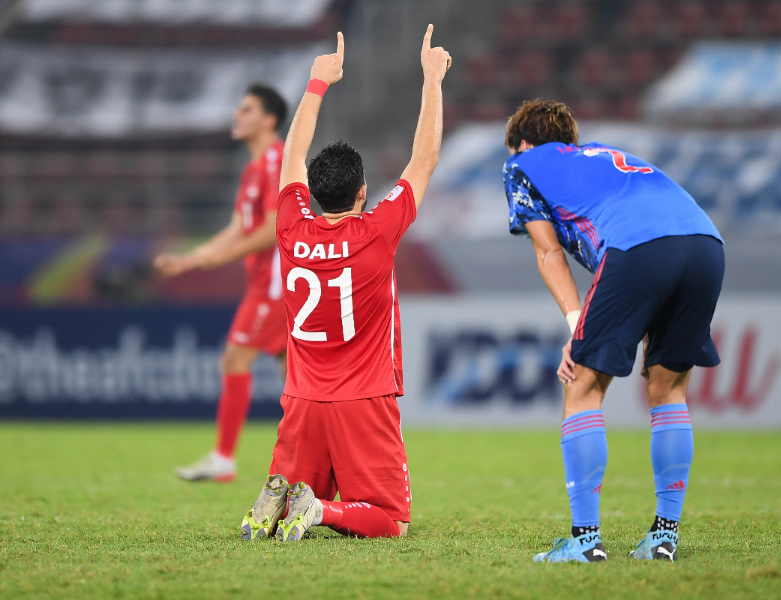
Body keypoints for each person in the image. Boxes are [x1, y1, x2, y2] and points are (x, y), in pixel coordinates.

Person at [239, 26, 452, 541]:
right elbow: (423, 161)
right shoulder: (377, 231)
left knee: (298, 487)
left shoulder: (291, 224)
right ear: (362, 192)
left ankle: (277, 499)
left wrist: (317, 84)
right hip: (364, 399)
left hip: (301, 402)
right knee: (391, 520)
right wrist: (431, 79)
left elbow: (293, 154)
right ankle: (320, 510)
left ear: (310, 191)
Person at [502, 99, 724, 562]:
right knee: (669, 386)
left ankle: (584, 541)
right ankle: (664, 536)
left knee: (581, 385)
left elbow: (548, 254)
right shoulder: (604, 157)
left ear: (523, 143)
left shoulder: (522, 164)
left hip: (638, 247)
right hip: (706, 245)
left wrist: (573, 325)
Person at [154, 84, 288, 482]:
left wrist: (216, 259)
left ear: (269, 120)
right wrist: (192, 259)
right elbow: (237, 228)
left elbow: (273, 229)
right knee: (293, 377)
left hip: (277, 284)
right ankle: (317, 457)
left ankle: (224, 459)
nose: (237, 115)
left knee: (236, 358)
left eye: (246, 109)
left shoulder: (276, 162)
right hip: (266, 282)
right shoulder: (253, 169)